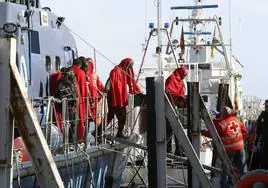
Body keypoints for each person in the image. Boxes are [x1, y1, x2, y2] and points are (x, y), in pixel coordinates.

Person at [202, 106, 248, 188]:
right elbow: (245, 133)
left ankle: (224, 186)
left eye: (221, 112)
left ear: (223, 114)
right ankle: (246, 184)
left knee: (226, 170)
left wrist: (202, 132)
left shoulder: (222, 124)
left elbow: (213, 134)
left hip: (229, 150)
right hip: (240, 148)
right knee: (242, 169)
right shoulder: (236, 120)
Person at [106, 57, 142, 138]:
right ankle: (100, 132)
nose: (130, 68)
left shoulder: (125, 71)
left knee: (116, 115)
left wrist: (138, 90)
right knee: (118, 115)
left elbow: (131, 81)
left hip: (120, 98)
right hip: (114, 98)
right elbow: (109, 85)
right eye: (129, 66)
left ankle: (116, 132)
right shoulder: (115, 71)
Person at [165, 66, 187, 155]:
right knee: (169, 129)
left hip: (175, 106)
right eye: (184, 74)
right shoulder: (172, 78)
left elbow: (180, 92)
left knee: (177, 129)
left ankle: (178, 150)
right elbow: (168, 90)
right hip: (169, 106)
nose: (184, 77)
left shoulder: (180, 80)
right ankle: (168, 149)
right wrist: (179, 95)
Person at [71, 57, 88, 143]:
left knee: (68, 121)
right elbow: (83, 90)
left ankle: (69, 140)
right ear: (80, 64)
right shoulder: (80, 73)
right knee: (79, 122)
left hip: (66, 101)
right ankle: (78, 140)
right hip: (78, 101)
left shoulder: (68, 70)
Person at [255, 99, 268, 169]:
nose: (266, 107)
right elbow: (258, 126)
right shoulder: (263, 114)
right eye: (265, 106)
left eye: (267, 106)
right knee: (264, 160)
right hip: (264, 141)